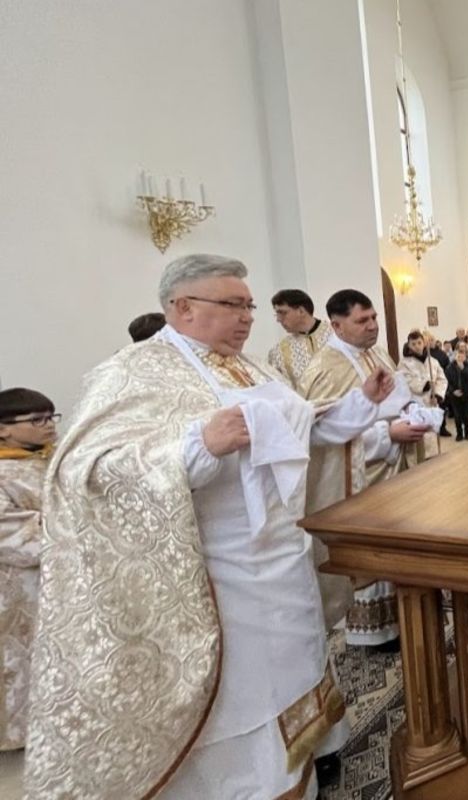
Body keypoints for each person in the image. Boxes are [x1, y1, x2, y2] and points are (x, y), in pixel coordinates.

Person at [25, 254, 395, 799]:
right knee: (244, 692)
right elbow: (88, 470)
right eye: (232, 305)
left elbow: (304, 430)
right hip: (216, 571)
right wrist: (196, 446)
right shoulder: (134, 371)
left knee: (296, 667)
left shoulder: (252, 368)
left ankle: (307, 764)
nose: (247, 317)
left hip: (282, 554)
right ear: (182, 307)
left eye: (248, 306)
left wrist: (361, 404)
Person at [296, 289, 427, 651]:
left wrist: (413, 415)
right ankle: (373, 633)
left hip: (394, 468)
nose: (372, 327)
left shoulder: (377, 354)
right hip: (360, 476)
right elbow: (323, 438)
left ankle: (403, 620)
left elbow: (399, 397)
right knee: (370, 552)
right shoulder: (324, 369)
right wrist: (388, 433)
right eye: (362, 321)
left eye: (374, 318)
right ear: (337, 326)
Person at [0, 388, 57, 752]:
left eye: (51, 417)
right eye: (37, 420)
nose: (49, 426)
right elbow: (8, 528)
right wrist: (68, 528)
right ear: (3, 429)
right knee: (19, 660)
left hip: (62, 578)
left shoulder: (56, 458)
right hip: (17, 586)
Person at [398, 329, 447, 459]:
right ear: (409, 345)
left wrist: (437, 394)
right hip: (416, 406)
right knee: (421, 444)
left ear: (424, 344)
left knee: (433, 442)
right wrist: (424, 385)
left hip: (431, 404)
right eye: (413, 344)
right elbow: (405, 380)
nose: (417, 346)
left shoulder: (433, 362)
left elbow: (442, 379)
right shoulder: (404, 364)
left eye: (419, 343)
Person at [268, 288, 333, 388]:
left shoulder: (337, 334)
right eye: (277, 314)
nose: (278, 319)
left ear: (301, 311)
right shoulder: (278, 352)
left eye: (282, 313)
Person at [445, 342, 468, 440]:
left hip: (466, 394)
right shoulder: (449, 368)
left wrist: (463, 369)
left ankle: (467, 432)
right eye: (458, 356)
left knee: (466, 416)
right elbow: (447, 383)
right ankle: (459, 433)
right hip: (454, 395)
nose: (460, 358)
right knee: (457, 416)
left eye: (462, 356)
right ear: (455, 356)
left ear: (465, 357)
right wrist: (453, 391)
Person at [425, 332, 453, 437]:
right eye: (428, 340)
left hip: (439, 385)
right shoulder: (425, 355)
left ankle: (442, 427)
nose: (430, 342)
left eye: (432, 340)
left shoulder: (441, 354)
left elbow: (447, 367)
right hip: (428, 387)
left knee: (441, 408)